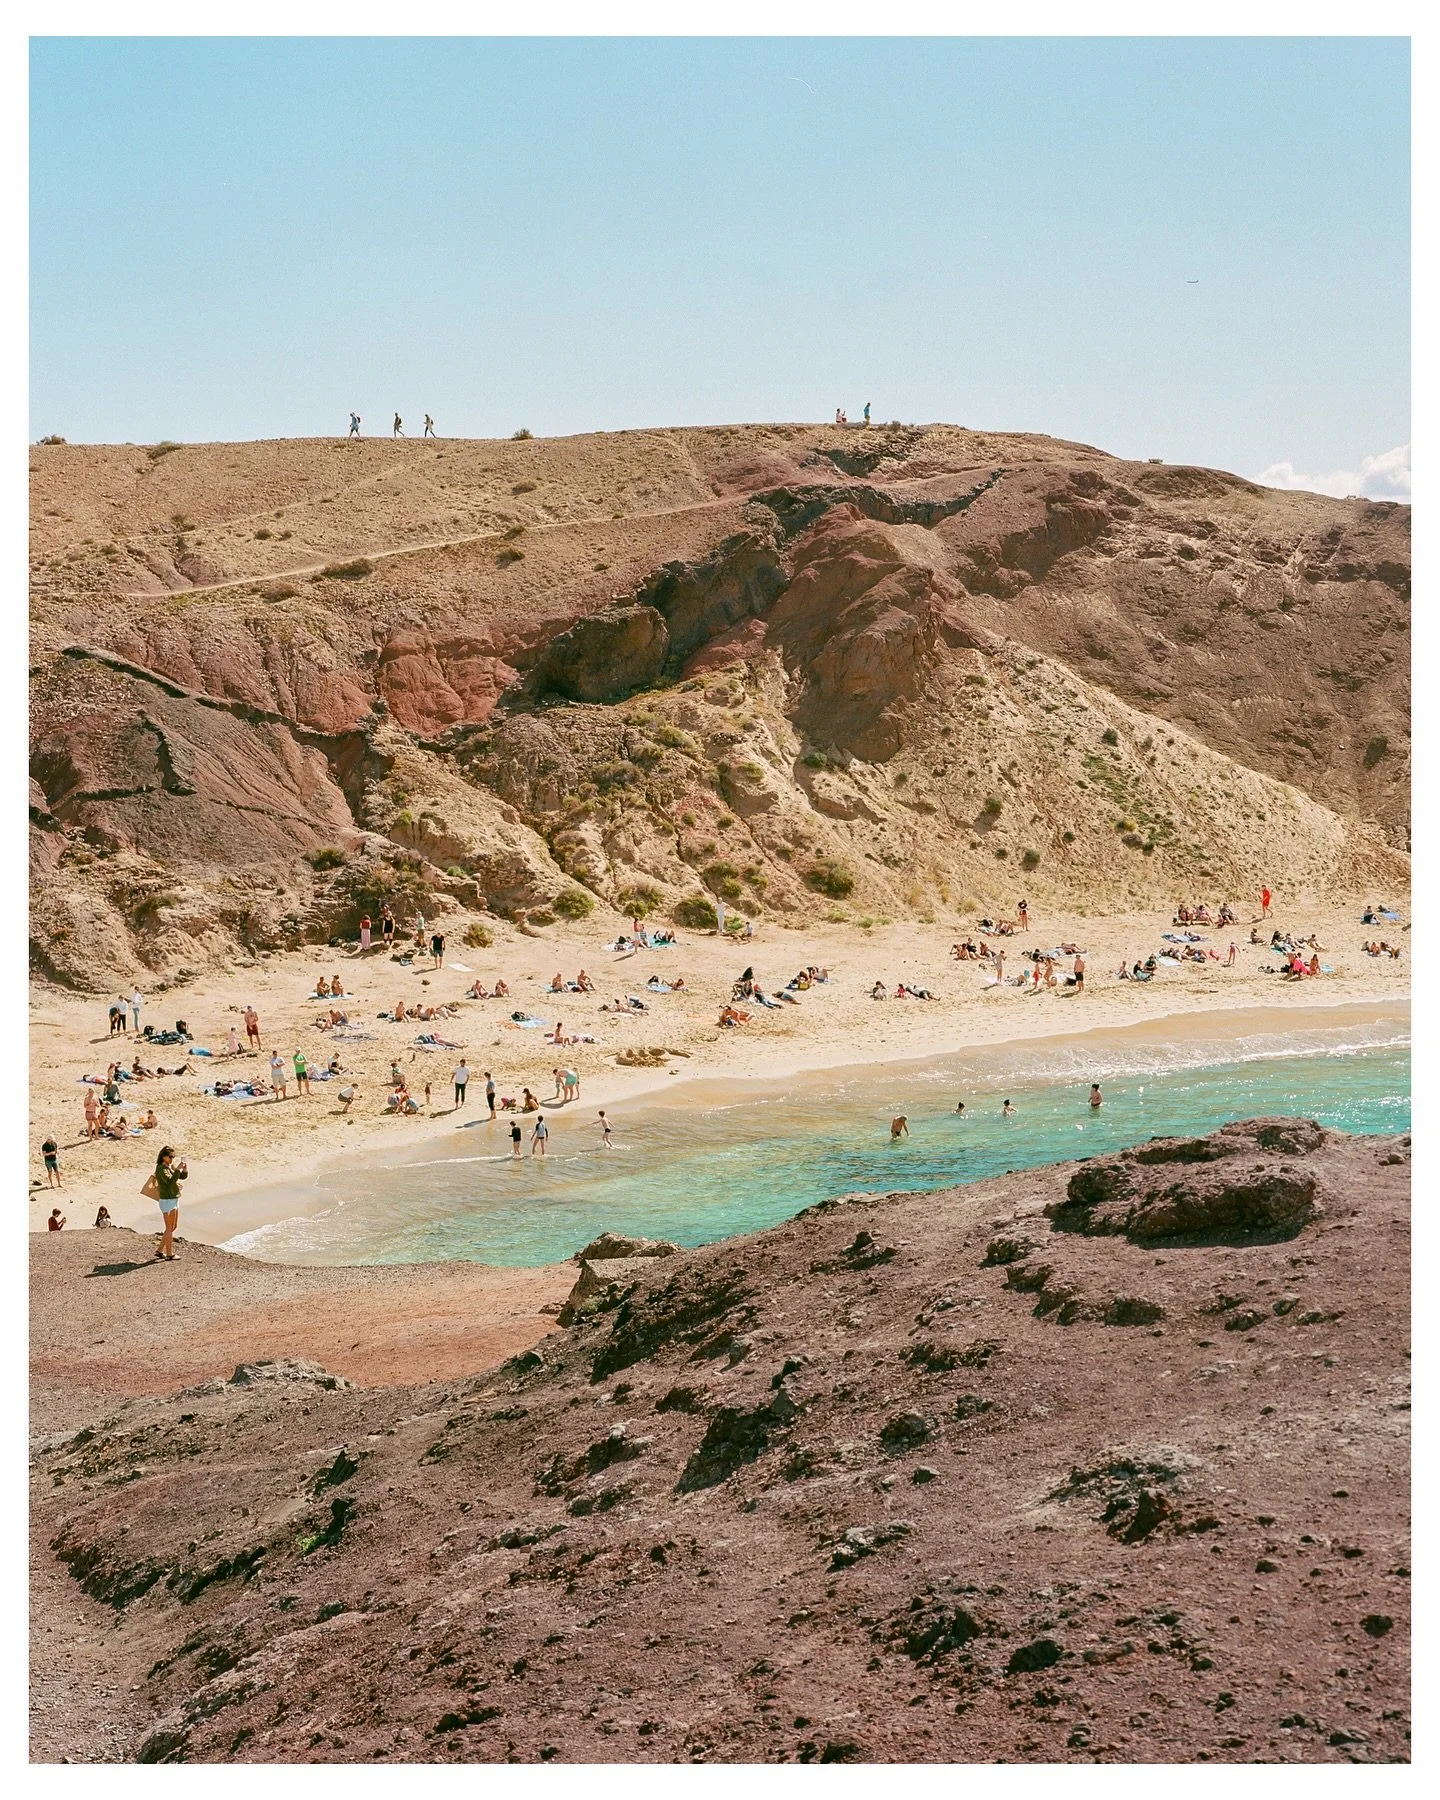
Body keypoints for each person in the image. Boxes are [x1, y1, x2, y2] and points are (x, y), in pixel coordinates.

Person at [152, 1146, 187, 1260]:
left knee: (172, 1226)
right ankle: (169, 1253)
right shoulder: (161, 1169)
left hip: (172, 1198)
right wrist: (177, 1169)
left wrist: (184, 1170)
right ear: (163, 1156)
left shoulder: (168, 1167)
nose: (172, 1159)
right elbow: (170, 1182)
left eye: (173, 1157)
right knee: (169, 1227)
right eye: (170, 1157)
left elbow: (180, 1177)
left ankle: (160, 1250)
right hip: (167, 1200)